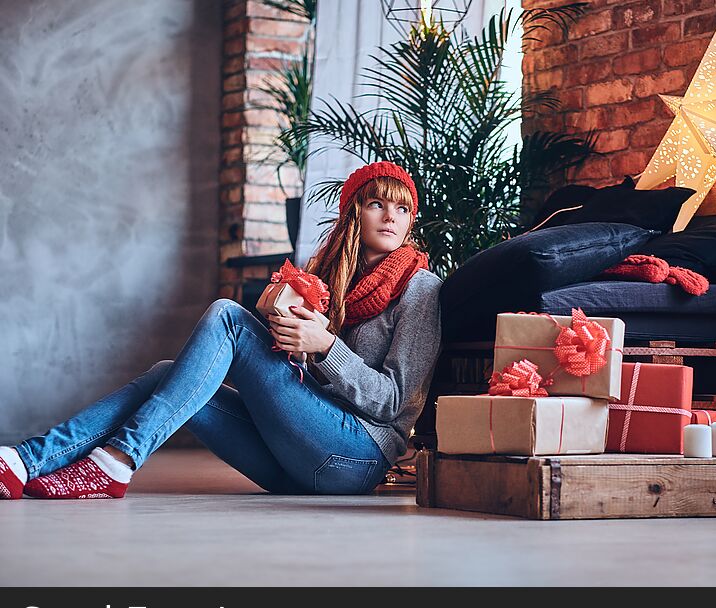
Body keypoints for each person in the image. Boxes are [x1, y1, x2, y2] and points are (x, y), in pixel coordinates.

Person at [0, 162, 442, 499]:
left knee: (229, 318)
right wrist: (289, 338)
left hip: (355, 458)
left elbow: (395, 403)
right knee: (165, 373)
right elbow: (310, 387)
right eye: (377, 204)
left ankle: (119, 459)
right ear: (353, 213)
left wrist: (327, 348)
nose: (391, 217)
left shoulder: (420, 288)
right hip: (292, 459)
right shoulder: (328, 278)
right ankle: (24, 461)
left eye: (402, 209)